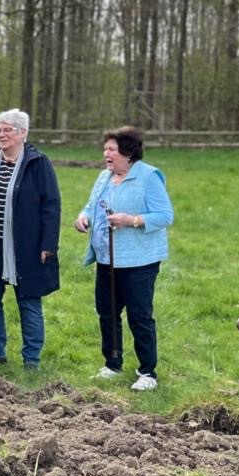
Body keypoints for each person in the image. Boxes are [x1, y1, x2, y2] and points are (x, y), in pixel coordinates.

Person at [73, 125, 174, 392]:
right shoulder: (104, 177)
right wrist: (84, 217)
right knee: (107, 312)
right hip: (107, 259)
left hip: (139, 262)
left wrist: (132, 220)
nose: (106, 154)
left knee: (139, 316)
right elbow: (92, 205)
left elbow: (165, 215)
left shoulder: (148, 177)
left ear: (128, 153)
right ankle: (112, 364)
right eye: (105, 149)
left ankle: (147, 372)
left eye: (112, 149)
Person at [0, 109, 61, 370]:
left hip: (26, 246)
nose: (1, 134)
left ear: (23, 133)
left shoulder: (38, 162)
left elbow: (51, 205)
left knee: (29, 300)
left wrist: (48, 244)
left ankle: (31, 359)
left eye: (7, 129)